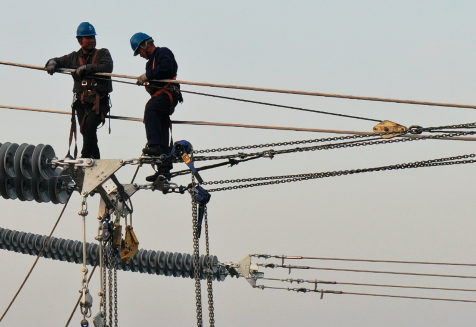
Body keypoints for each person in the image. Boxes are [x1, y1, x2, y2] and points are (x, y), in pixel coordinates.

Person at [45, 22, 113, 159]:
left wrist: (87, 68)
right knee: (87, 132)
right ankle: (95, 161)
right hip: (82, 102)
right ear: (79, 40)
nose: (92, 40)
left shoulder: (103, 54)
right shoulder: (73, 57)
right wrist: (52, 63)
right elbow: (57, 60)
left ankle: (85, 157)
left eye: (93, 37)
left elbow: (107, 67)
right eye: (88, 37)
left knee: (89, 128)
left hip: (99, 103)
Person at [130, 32, 183, 181]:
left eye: (139, 51)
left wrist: (148, 76)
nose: (140, 55)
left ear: (145, 45)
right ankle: (164, 168)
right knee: (161, 126)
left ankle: (155, 146)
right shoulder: (149, 63)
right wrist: (148, 82)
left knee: (151, 110)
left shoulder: (163, 52)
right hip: (161, 95)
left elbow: (166, 68)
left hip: (168, 93)